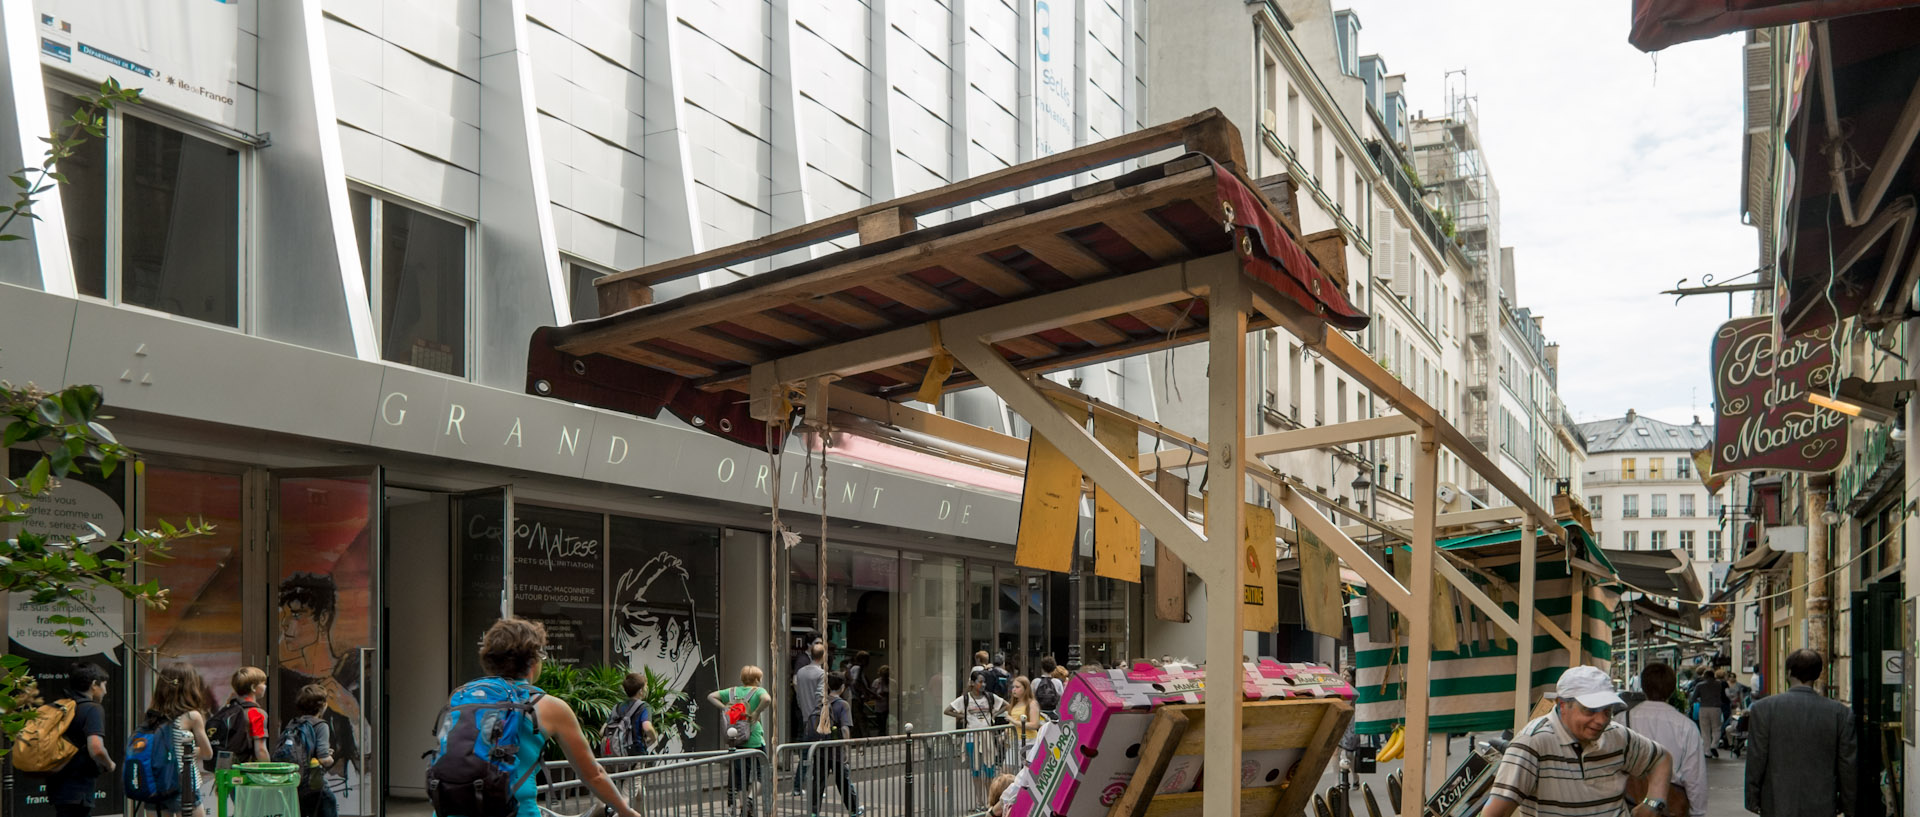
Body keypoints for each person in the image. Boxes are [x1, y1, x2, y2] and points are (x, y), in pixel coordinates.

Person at [440, 618, 641, 817]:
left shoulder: (461, 697)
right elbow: (593, 775)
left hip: (451, 808)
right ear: (533, 661)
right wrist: (626, 812)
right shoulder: (548, 707)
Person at [1483, 666, 1674, 817]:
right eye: (1590, 710)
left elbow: (1661, 759)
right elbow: (1495, 812)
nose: (1601, 720)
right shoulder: (1532, 743)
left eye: (1607, 711)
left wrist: (1653, 803)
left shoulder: (1617, 735)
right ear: (1562, 705)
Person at [1746, 649, 1856, 817]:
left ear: (1789, 673)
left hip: (1776, 800)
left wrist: (1752, 798)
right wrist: (1848, 803)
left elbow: (1757, 757)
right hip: (1822, 801)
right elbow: (1847, 764)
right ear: (1818, 674)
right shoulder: (1840, 713)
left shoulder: (1763, 709)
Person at [277, 572, 361, 783]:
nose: (285, 623)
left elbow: (370, 757)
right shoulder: (283, 678)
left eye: (296, 614)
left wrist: (354, 714)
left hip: (345, 784)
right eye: (285, 614)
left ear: (323, 617)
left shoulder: (352, 671)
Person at [1623, 664, 1706, 817]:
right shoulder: (1687, 726)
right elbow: (1694, 777)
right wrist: (1698, 813)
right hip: (1671, 806)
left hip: (1630, 805)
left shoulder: (1622, 719)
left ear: (1642, 686)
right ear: (1673, 689)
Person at [141, 663, 214, 817]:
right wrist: (189, 751)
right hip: (182, 780)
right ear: (190, 686)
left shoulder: (152, 715)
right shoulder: (191, 716)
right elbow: (208, 753)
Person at [48, 662, 116, 817]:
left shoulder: (60, 706)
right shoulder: (93, 709)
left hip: (57, 785)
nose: (105, 691)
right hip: (79, 789)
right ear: (94, 685)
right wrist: (110, 764)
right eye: (104, 685)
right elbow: (96, 748)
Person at [709, 665, 771, 817]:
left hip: (736, 740)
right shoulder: (758, 691)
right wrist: (756, 712)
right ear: (756, 679)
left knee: (741, 775)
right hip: (755, 740)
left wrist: (725, 708)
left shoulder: (732, 692)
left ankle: (744, 804)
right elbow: (767, 699)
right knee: (761, 773)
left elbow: (711, 696)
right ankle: (749, 799)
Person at [946, 670, 1009, 805]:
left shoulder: (989, 696)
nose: (983, 684)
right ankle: (979, 801)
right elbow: (947, 710)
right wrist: (963, 716)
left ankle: (989, 800)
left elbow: (1006, 705)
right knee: (976, 769)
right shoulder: (965, 698)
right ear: (973, 683)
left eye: (984, 681)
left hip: (987, 736)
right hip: (971, 737)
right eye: (980, 681)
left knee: (989, 769)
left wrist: (994, 714)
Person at [805, 674, 862, 817]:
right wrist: (846, 749)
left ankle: (813, 812)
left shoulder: (820, 702)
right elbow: (845, 728)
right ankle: (854, 810)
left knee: (818, 782)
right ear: (842, 687)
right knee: (843, 782)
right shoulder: (843, 705)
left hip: (820, 749)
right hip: (836, 751)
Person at [286, 684, 337, 817]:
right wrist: (330, 757)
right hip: (314, 781)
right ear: (323, 705)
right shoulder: (320, 725)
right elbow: (324, 759)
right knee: (329, 806)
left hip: (296, 780)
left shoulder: (294, 723)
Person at [790, 643, 826, 797]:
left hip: (805, 715)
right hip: (817, 718)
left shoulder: (801, 672)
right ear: (823, 656)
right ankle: (812, 787)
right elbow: (820, 695)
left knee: (806, 753)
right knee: (819, 754)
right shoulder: (821, 674)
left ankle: (798, 786)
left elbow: (797, 693)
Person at [607, 672, 656, 756]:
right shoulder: (643, 707)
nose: (646, 689)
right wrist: (654, 737)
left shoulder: (617, 707)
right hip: (636, 755)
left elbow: (602, 731)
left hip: (616, 757)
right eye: (645, 686)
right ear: (640, 690)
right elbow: (647, 727)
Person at [228, 666, 271, 762]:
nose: (265, 686)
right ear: (253, 687)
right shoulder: (256, 713)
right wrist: (269, 771)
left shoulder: (227, 709)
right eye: (263, 683)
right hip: (245, 770)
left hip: (224, 768)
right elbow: (260, 749)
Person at [1004, 676, 1045, 768]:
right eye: (1013, 687)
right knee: (1007, 769)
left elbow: (1035, 724)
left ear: (1025, 689)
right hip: (1013, 741)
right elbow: (1012, 721)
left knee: (1025, 770)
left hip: (1027, 741)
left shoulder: (1032, 703)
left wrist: (1014, 722)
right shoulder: (1014, 704)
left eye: (1017, 687)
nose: (1014, 690)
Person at [1692, 668, 1728, 757]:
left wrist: (1699, 700)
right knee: (1716, 728)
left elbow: (1693, 698)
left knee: (1705, 730)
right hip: (1716, 708)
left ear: (1705, 676)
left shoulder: (1700, 685)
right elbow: (1724, 695)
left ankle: (1707, 751)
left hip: (1704, 708)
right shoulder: (1719, 684)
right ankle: (1714, 745)